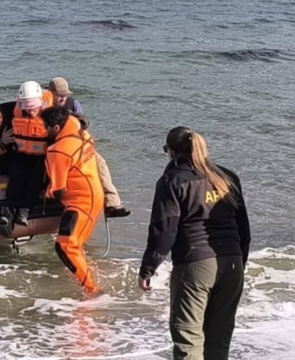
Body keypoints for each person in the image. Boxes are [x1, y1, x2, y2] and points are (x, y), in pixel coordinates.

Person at [138, 126, 250, 360]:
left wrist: (148, 268)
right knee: (219, 340)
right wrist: (241, 262)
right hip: (232, 263)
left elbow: (164, 231)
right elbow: (244, 229)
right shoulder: (227, 177)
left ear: (171, 152)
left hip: (195, 263)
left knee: (188, 339)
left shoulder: (172, 180)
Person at [41, 106, 105, 295]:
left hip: (80, 203)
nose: (44, 131)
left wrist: (46, 194)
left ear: (56, 128)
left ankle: (92, 290)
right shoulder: (83, 135)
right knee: (76, 245)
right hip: (95, 195)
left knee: (65, 245)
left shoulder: (57, 151)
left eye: (46, 127)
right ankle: (85, 274)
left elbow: (59, 190)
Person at [46, 77, 131, 218]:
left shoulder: (73, 104)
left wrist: (79, 121)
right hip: (56, 147)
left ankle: (112, 204)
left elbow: (84, 122)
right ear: (50, 93)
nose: (62, 98)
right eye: (58, 95)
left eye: (64, 95)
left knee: (100, 162)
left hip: (75, 143)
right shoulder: (44, 105)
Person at [0, 81, 51, 233]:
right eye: (27, 107)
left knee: (36, 178)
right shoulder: (13, 112)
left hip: (42, 157)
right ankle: (7, 213)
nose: (30, 111)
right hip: (21, 154)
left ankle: (25, 211)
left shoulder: (50, 115)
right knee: (16, 175)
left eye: (33, 107)